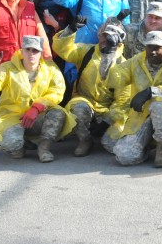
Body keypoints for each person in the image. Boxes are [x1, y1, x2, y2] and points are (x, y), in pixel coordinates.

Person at [0, 36, 73, 162]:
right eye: (28, 49)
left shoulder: (51, 69)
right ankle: (20, 145)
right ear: (22, 51)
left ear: (41, 53)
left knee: (58, 113)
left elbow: (57, 91)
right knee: (13, 146)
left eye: (35, 51)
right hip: (11, 118)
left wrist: (38, 107)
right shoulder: (7, 68)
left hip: (37, 116)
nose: (31, 54)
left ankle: (44, 148)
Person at [105, 31, 162, 167]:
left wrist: (152, 91)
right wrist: (108, 55)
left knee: (159, 106)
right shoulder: (136, 61)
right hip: (141, 116)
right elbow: (114, 80)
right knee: (125, 157)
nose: (152, 51)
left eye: (157, 48)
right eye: (149, 47)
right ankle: (147, 144)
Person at [53, 17, 126, 157]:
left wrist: (108, 121)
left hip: (109, 108)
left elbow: (123, 100)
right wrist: (71, 30)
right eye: (104, 34)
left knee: (113, 144)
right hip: (85, 101)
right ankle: (85, 140)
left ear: (119, 40)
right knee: (78, 109)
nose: (106, 38)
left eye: (112, 36)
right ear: (99, 35)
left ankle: (102, 135)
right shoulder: (86, 52)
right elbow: (62, 49)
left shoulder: (123, 63)